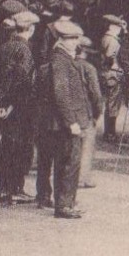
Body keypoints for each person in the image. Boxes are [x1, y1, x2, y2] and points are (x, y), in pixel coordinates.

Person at [41, 19, 91, 219]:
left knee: (68, 162)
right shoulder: (60, 61)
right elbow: (61, 94)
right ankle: (64, 205)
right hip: (66, 122)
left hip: (66, 120)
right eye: (72, 39)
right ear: (62, 40)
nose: (76, 43)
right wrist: (71, 122)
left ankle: (67, 202)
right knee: (69, 163)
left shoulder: (63, 59)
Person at [0, 10, 38, 204]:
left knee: (6, 146)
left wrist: (1, 102)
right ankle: (15, 188)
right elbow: (22, 80)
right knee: (21, 147)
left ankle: (4, 189)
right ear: (31, 29)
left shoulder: (5, 46)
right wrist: (11, 103)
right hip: (20, 105)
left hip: (4, 102)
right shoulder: (25, 50)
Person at [76, 37, 104, 186]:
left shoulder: (67, 64)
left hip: (69, 111)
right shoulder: (89, 68)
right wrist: (98, 112)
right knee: (87, 146)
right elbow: (96, 94)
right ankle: (82, 178)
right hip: (86, 112)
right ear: (85, 52)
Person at [96, 15, 128, 143]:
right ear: (113, 27)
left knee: (111, 103)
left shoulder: (106, 37)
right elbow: (110, 56)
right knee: (113, 104)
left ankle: (109, 132)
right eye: (118, 27)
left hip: (107, 73)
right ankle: (110, 133)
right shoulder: (113, 40)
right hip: (113, 74)